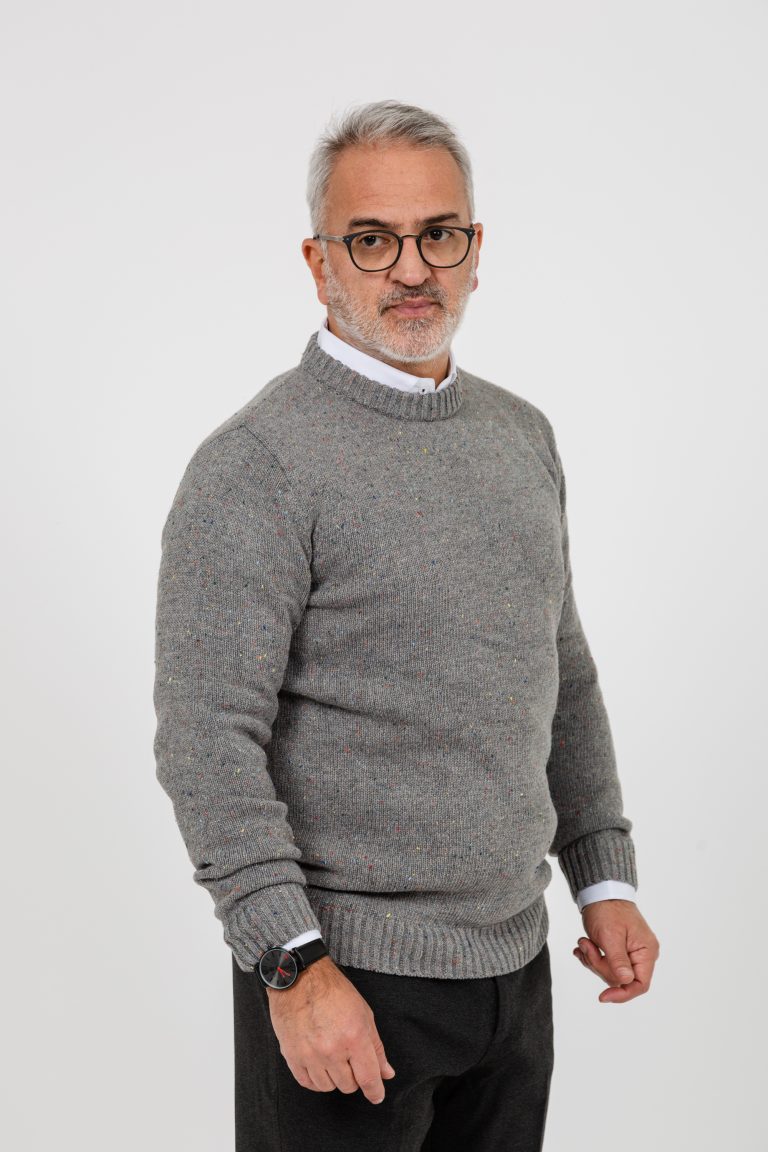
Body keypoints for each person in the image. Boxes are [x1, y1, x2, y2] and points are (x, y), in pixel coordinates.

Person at [153, 99, 660, 1151]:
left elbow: (562, 672)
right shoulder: (257, 466)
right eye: (373, 240)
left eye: (440, 234)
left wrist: (601, 876)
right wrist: (291, 965)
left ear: (475, 251)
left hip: (515, 973)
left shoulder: (522, 436)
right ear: (319, 262)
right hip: (344, 982)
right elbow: (206, 742)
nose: (414, 269)